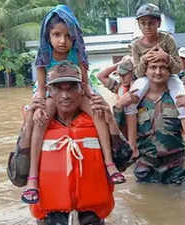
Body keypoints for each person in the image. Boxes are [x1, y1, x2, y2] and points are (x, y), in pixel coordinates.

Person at [25, 5, 123, 204]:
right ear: (48, 35)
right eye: (57, 35)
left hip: (77, 91)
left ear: (74, 37)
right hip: (52, 93)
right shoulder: (44, 56)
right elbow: (42, 88)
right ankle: (32, 177)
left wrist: (95, 99)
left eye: (68, 36)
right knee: (40, 120)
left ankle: (109, 163)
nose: (63, 41)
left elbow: (85, 84)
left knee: (97, 112)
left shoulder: (77, 54)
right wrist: (38, 106)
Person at [26, 61, 115, 225]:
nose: (65, 95)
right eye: (58, 88)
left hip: (91, 214)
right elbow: (17, 175)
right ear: (49, 91)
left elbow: (125, 159)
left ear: (82, 89)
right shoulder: (39, 120)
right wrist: (27, 126)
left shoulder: (96, 118)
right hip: (50, 215)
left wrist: (112, 121)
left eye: (71, 88)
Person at [126, 3, 185, 171]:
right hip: (145, 78)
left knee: (182, 103)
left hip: (172, 76)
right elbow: (139, 73)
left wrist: (166, 57)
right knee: (130, 103)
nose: (147, 27)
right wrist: (146, 59)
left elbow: (177, 68)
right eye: (143, 23)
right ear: (139, 24)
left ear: (158, 23)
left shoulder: (167, 39)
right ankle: (132, 148)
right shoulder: (136, 45)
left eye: (151, 23)